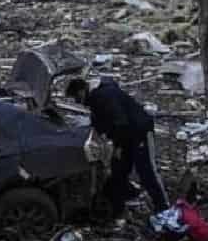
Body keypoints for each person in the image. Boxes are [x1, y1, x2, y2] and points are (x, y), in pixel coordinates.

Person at [65, 77, 170, 216]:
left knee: (146, 170)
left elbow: (120, 122)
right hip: (125, 135)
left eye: (77, 97)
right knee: (119, 169)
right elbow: (100, 120)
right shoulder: (96, 97)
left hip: (139, 132)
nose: (78, 102)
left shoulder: (104, 96)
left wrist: (118, 147)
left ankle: (163, 207)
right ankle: (123, 200)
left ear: (82, 90)